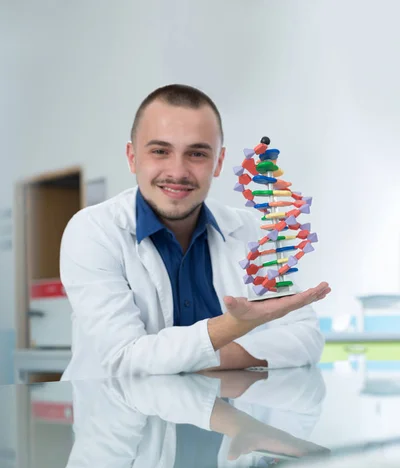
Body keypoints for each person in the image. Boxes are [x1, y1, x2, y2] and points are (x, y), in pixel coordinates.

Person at [60, 84, 331, 380]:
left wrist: (206, 358)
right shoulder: (92, 231)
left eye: (197, 154)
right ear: (132, 157)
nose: (177, 172)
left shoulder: (253, 233)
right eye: (160, 151)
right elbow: (126, 358)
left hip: (226, 418)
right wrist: (234, 327)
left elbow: (306, 339)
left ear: (219, 162)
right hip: (124, 421)